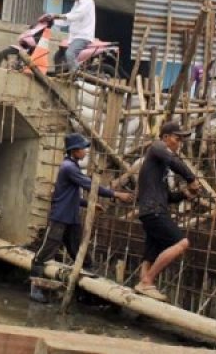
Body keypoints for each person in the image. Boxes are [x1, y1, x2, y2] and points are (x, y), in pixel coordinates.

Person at [29, 133, 132, 300]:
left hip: (71, 218)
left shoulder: (73, 166)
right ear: (74, 150)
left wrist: (88, 204)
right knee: (44, 253)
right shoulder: (68, 167)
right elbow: (91, 185)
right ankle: (36, 289)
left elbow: (72, 196)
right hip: (60, 217)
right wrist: (116, 194)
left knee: (79, 254)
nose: (85, 152)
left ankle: (85, 292)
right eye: (83, 149)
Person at [134, 122, 200, 302]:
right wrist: (191, 179)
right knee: (182, 242)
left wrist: (184, 194)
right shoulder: (157, 147)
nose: (179, 144)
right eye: (177, 139)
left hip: (152, 209)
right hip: (154, 211)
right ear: (165, 138)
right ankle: (147, 282)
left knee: (150, 252)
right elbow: (174, 161)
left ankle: (143, 286)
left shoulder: (158, 168)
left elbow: (167, 196)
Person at [52, 0, 96, 74]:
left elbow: (76, 15)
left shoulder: (88, 1)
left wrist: (57, 16)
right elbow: (69, 19)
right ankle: (60, 74)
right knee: (58, 56)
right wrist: (53, 22)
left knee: (70, 53)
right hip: (74, 37)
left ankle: (77, 75)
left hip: (83, 37)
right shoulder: (77, 3)